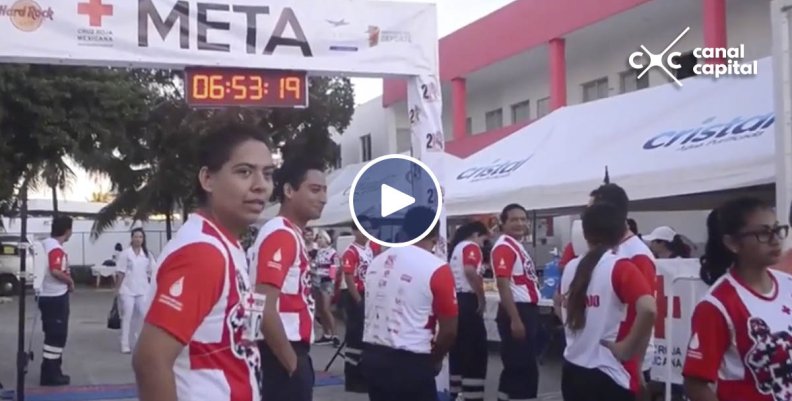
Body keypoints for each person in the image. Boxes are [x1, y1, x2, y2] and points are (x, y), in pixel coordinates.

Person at [133, 123, 272, 401]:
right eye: (244, 172)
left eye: (267, 174)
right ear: (208, 179)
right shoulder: (203, 253)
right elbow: (150, 361)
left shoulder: (225, 244)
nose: (261, 185)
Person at [682, 197, 792, 401]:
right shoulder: (718, 305)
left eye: (777, 230)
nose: (775, 239)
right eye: (762, 233)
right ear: (732, 243)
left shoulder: (788, 285)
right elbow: (696, 383)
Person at [556, 202, 657, 401]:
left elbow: (558, 303)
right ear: (622, 232)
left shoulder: (570, 267)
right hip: (609, 374)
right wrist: (627, 347)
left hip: (573, 368)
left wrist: (579, 333)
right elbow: (648, 308)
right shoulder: (620, 267)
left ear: (584, 234)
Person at [249, 156, 327, 401]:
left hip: (281, 352)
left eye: (325, 190)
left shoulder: (289, 233)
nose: (323, 198)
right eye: (315, 190)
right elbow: (262, 305)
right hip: (281, 355)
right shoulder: (281, 234)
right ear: (289, 190)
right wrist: (292, 363)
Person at [361, 206, 458, 401]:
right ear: (435, 238)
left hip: (373, 356)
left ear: (403, 232)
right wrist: (436, 359)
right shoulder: (437, 268)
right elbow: (449, 330)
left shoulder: (377, 261)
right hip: (411, 361)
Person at [590, 183, 657, 394]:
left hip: (625, 361)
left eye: (591, 209)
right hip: (601, 357)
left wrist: (635, 362)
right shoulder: (604, 250)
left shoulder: (637, 254)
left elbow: (646, 310)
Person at [491, 203, 542, 401]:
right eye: (513, 219)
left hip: (525, 309)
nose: (519, 223)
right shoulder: (504, 246)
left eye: (522, 219)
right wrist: (515, 319)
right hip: (517, 310)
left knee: (517, 368)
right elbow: (503, 284)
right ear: (503, 223)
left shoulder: (515, 245)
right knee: (523, 370)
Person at [448, 221, 489, 401]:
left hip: (456, 298)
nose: (483, 244)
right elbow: (470, 270)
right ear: (475, 234)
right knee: (475, 349)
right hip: (467, 299)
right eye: (483, 240)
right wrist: (481, 297)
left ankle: (455, 391)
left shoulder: (457, 248)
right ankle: (473, 394)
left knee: (459, 348)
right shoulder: (471, 247)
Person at [38, 215, 75, 386]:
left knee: (51, 335)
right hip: (55, 297)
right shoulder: (56, 249)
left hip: (46, 295)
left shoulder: (45, 244)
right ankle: (51, 374)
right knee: (57, 336)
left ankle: (52, 369)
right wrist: (70, 281)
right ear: (67, 231)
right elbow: (56, 270)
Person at [341, 223, 374, 393]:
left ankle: (362, 374)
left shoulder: (368, 250)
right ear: (354, 231)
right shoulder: (351, 251)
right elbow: (348, 277)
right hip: (357, 296)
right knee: (355, 337)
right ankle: (352, 378)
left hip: (367, 294)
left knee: (364, 337)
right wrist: (358, 300)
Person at [115, 228, 156, 354]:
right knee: (127, 316)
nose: (138, 239)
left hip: (143, 289)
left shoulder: (147, 255)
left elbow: (153, 271)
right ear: (132, 238)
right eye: (136, 237)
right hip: (127, 289)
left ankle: (139, 342)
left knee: (143, 316)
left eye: (140, 237)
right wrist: (117, 288)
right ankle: (125, 344)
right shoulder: (126, 254)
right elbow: (120, 272)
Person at [313, 229, 340, 346]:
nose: (318, 241)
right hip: (317, 281)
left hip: (327, 282)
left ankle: (335, 335)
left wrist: (330, 279)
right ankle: (326, 334)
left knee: (326, 308)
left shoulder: (332, 252)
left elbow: (335, 269)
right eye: (317, 238)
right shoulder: (319, 252)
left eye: (320, 238)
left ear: (326, 239)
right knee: (320, 309)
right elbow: (315, 265)